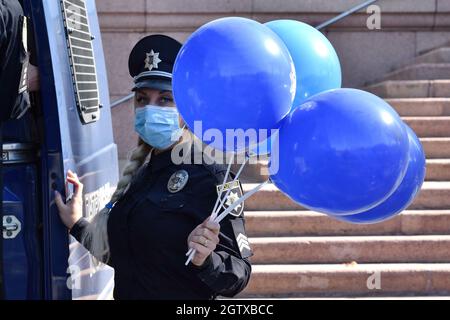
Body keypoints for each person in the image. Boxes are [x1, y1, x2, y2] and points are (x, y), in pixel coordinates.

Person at [54, 34, 253, 300]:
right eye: (142, 99)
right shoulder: (141, 175)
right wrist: (77, 223)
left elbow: (239, 275)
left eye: (165, 99)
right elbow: (126, 257)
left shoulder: (212, 177)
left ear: (186, 109)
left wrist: (205, 260)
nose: (150, 109)